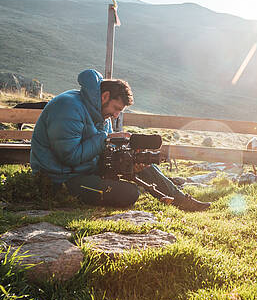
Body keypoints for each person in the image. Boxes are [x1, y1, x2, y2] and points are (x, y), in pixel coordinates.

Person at [30, 69, 210, 211]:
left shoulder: (101, 115)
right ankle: (66, 196)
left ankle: (180, 199)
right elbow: (69, 157)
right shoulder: (68, 107)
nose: (116, 115)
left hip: (86, 171)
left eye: (120, 111)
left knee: (140, 162)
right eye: (116, 108)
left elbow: (101, 152)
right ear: (104, 96)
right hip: (61, 179)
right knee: (129, 194)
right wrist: (105, 138)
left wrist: (130, 162)